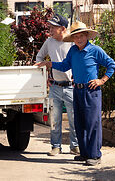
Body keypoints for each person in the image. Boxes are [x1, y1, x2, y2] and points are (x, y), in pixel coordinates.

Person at [36, 21, 115, 165]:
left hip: (91, 91)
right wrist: (50, 64)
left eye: (81, 36)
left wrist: (102, 80)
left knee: (92, 123)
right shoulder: (73, 51)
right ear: (73, 38)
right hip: (77, 90)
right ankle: (85, 154)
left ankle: (95, 155)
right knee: (80, 123)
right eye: (76, 37)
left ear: (87, 35)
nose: (79, 39)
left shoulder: (95, 50)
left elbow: (112, 65)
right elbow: (65, 65)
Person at [36, 14, 79, 156]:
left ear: (62, 28)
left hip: (71, 87)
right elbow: (39, 58)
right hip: (54, 87)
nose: (50, 29)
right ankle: (56, 146)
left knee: (74, 119)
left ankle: (75, 146)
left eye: (53, 27)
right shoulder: (49, 42)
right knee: (54, 120)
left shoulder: (73, 42)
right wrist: (45, 75)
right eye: (50, 26)